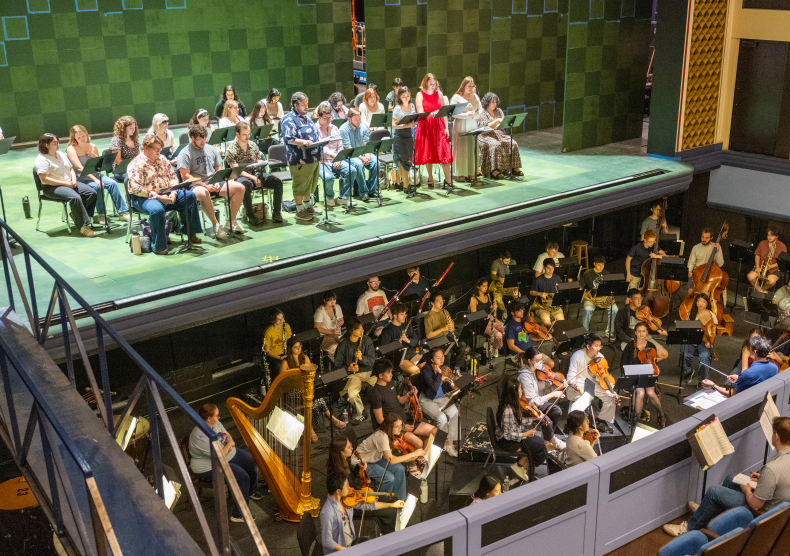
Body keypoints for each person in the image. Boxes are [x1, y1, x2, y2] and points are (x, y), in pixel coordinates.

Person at [663, 416, 790, 537]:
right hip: (778, 502)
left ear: (776, 436)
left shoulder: (772, 469)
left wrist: (747, 491)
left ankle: (690, 528)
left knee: (714, 492)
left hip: (766, 513)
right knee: (730, 479)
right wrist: (764, 479)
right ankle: (707, 513)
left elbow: (756, 505)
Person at [127, 135, 203, 254]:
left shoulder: (162, 159)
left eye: (160, 148)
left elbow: (173, 177)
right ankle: (159, 246)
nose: (159, 151)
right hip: (144, 197)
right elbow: (136, 188)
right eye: (156, 149)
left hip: (166, 193)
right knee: (157, 210)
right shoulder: (136, 164)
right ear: (146, 148)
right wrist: (157, 197)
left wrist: (173, 192)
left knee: (189, 196)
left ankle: (190, 233)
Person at [189, 403, 262, 523]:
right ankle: (238, 515)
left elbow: (228, 435)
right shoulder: (200, 436)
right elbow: (220, 456)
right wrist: (230, 444)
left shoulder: (215, 424)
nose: (219, 418)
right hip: (209, 465)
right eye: (217, 416)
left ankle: (250, 491)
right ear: (209, 418)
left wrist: (229, 444)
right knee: (242, 477)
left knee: (252, 461)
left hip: (227, 454)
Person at [177, 124, 246, 237]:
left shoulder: (211, 149)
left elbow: (218, 168)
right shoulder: (185, 153)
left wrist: (217, 182)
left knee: (240, 188)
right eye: (200, 140)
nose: (203, 143)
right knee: (204, 193)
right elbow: (185, 176)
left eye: (205, 139)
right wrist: (204, 185)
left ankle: (231, 221)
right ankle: (216, 225)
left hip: (213, 181)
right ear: (192, 138)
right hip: (196, 184)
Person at [280, 337, 346, 442]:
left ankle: (318, 425)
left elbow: (311, 373)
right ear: (290, 349)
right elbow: (283, 380)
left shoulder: (305, 358)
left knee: (316, 397)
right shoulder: (286, 362)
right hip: (292, 390)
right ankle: (328, 420)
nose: (299, 349)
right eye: (296, 347)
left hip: (305, 387)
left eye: (300, 346)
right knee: (312, 399)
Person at [320, 471, 404, 552]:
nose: (349, 488)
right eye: (347, 486)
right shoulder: (327, 512)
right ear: (338, 491)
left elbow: (368, 506)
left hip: (351, 540)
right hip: (341, 550)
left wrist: (392, 505)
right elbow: (327, 541)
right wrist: (349, 551)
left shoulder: (346, 499)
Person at [326, 438, 396, 534]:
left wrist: (360, 470)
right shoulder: (337, 473)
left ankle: (383, 530)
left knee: (392, 499)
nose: (352, 448)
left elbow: (352, 480)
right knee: (389, 511)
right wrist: (366, 500)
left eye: (350, 444)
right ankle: (390, 537)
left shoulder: (345, 461)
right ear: (341, 452)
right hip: (350, 507)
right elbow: (346, 497)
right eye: (349, 447)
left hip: (356, 496)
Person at [34, 133, 97, 237]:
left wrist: (74, 180)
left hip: (68, 182)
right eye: (54, 142)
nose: (57, 144)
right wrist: (66, 183)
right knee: (75, 197)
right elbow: (45, 179)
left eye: (58, 141)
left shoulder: (60, 154)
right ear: (46, 145)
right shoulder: (41, 159)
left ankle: (78, 215)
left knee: (91, 193)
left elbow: (71, 168)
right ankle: (83, 226)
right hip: (52, 187)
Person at [351, 414, 425, 500]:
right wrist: (412, 454)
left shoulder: (391, 434)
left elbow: (387, 457)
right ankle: (384, 502)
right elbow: (391, 460)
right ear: (390, 427)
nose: (400, 429)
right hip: (361, 463)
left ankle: (400, 500)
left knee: (400, 468)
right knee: (389, 478)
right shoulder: (382, 436)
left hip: (375, 458)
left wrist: (409, 458)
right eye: (396, 427)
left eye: (401, 426)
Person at [369, 359, 438, 452]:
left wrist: (409, 394)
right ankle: (418, 461)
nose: (391, 374)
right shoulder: (376, 393)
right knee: (419, 443)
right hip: (394, 428)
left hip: (404, 419)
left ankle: (422, 460)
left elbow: (399, 400)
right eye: (388, 373)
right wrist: (401, 427)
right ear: (380, 376)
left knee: (435, 431)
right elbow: (380, 420)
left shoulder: (391, 383)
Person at [66, 125, 129, 225]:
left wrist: (94, 156)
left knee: (113, 183)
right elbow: (79, 168)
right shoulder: (71, 148)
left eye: (83, 136)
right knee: (98, 186)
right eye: (79, 137)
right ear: (74, 138)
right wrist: (95, 179)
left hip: (96, 174)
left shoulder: (92, 146)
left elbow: (99, 164)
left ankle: (122, 212)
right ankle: (101, 215)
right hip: (82, 178)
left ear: (86, 135)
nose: (82, 139)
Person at [224, 121, 284, 225]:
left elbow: (257, 159)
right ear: (237, 134)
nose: (247, 137)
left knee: (277, 182)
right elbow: (236, 170)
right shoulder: (231, 150)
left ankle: (277, 212)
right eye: (244, 135)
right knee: (245, 186)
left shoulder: (253, 145)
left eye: (249, 134)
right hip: (242, 176)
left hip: (256, 173)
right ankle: (250, 215)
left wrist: (260, 162)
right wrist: (253, 177)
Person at [496, 376, 547, 482]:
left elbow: (517, 421)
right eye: (520, 389)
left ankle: (521, 466)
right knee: (539, 446)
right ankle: (525, 468)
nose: (522, 391)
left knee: (539, 443)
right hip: (508, 442)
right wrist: (525, 434)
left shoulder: (512, 406)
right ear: (513, 392)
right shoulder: (507, 410)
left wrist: (533, 419)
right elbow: (507, 435)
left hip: (514, 435)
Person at [279, 91, 321, 222]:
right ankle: (299, 210)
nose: (306, 107)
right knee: (300, 184)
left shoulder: (307, 116)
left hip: (313, 157)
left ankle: (308, 207)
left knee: (309, 184)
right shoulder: (288, 119)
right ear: (295, 105)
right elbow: (287, 138)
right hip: (299, 159)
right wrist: (303, 142)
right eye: (303, 104)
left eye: (307, 104)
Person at [515, 348, 566, 451]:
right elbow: (533, 401)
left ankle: (547, 439)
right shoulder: (525, 377)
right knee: (548, 421)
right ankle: (552, 439)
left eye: (541, 360)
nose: (541, 363)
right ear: (530, 361)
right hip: (527, 407)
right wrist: (553, 394)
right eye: (537, 360)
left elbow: (543, 392)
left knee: (557, 411)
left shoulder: (538, 372)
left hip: (537, 402)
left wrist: (557, 386)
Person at [568, 334, 617, 434]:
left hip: (594, 384)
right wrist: (578, 387)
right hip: (580, 384)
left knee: (612, 398)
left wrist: (608, 389)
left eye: (600, 345)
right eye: (596, 346)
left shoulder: (600, 357)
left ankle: (602, 420)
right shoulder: (577, 356)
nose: (599, 348)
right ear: (588, 346)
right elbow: (570, 376)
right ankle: (571, 426)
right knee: (585, 398)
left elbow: (603, 377)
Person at [621, 322, 667, 427]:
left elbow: (654, 361)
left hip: (648, 373)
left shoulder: (651, 346)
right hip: (634, 374)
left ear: (646, 332)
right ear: (635, 333)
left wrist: (651, 364)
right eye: (639, 331)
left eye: (643, 331)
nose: (641, 334)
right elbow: (623, 363)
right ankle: (638, 420)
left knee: (650, 392)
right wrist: (627, 372)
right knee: (640, 392)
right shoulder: (630, 346)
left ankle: (662, 414)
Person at [416, 347, 460, 457]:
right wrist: (440, 375)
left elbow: (445, 388)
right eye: (438, 357)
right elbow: (434, 388)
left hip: (441, 398)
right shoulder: (426, 371)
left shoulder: (443, 367)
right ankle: (441, 445)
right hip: (428, 400)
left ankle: (450, 444)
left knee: (455, 413)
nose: (441, 359)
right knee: (442, 418)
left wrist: (452, 383)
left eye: (443, 356)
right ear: (432, 359)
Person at [701, 335, 778, 396]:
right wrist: (739, 378)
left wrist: (713, 385)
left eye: (749, 349)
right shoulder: (775, 368)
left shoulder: (748, 373)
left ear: (754, 352)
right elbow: (758, 380)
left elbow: (730, 394)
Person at [414, 73, 453, 190]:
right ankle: (430, 177)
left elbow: (444, 111)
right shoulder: (420, 95)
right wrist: (432, 113)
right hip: (426, 126)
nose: (432, 86)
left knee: (444, 151)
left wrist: (446, 127)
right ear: (425, 83)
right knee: (428, 151)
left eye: (434, 84)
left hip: (439, 125)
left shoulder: (439, 94)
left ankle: (448, 180)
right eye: (430, 84)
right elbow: (420, 112)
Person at [335, 317, 377, 424]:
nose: (361, 331)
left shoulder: (367, 340)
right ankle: (361, 413)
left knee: (383, 381)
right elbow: (337, 367)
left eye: (361, 329)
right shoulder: (342, 346)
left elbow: (373, 361)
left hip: (368, 371)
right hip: (353, 375)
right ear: (351, 331)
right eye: (358, 330)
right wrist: (348, 368)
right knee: (352, 393)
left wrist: (362, 358)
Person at [477, 92, 523, 179]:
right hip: (486, 136)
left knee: (512, 143)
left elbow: (503, 123)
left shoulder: (499, 111)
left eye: (495, 102)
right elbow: (483, 128)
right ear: (487, 102)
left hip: (499, 134)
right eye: (492, 102)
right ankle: (494, 170)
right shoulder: (482, 112)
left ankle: (514, 167)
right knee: (495, 145)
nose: (494, 104)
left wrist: (503, 124)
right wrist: (496, 121)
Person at [339, 108, 379, 202]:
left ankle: (371, 190)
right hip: (350, 155)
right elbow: (348, 148)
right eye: (356, 119)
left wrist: (367, 157)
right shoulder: (343, 129)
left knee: (376, 162)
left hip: (362, 153)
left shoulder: (364, 127)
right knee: (359, 164)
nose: (358, 121)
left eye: (359, 118)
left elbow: (366, 145)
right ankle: (363, 191)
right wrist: (362, 159)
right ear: (349, 119)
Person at [681, 293, 718, 385]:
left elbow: (713, 332)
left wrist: (710, 342)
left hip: (705, 340)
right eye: (699, 301)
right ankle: (688, 372)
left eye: (703, 302)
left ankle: (703, 380)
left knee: (704, 357)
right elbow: (686, 329)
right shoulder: (691, 314)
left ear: (707, 304)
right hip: (692, 338)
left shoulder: (712, 315)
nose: (701, 304)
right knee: (686, 355)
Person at [450, 77, 482, 183]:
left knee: (471, 147)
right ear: (464, 86)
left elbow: (480, 110)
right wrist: (466, 115)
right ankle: (461, 173)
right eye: (469, 86)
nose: (471, 88)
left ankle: (471, 172)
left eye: (473, 86)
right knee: (462, 148)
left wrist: (474, 115)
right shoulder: (456, 97)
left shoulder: (475, 96)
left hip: (472, 123)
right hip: (461, 124)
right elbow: (453, 113)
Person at [316, 103, 348, 207]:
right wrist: (335, 156)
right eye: (325, 118)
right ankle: (329, 196)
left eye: (329, 117)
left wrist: (338, 159)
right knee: (328, 177)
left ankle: (343, 197)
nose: (328, 120)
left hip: (336, 159)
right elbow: (322, 147)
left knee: (351, 170)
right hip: (321, 161)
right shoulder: (314, 129)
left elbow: (340, 146)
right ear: (319, 117)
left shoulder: (334, 128)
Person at [579, 255, 619, 337]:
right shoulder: (587, 274)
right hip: (591, 299)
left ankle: (610, 331)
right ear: (594, 264)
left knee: (615, 309)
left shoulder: (607, 274)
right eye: (599, 265)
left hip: (604, 298)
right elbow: (581, 288)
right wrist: (582, 296)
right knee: (587, 309)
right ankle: (584, 331)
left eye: (603, 265)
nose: (601, 267)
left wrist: (612, 298)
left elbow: (611, 288)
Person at [378, 303, 421, 376]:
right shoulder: (387, 330)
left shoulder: (406, 325)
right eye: (402, 314)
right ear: (395, 316)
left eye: (405, 314)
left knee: (427, 365)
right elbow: (384, 350)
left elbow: (416, 340)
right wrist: (397, 343)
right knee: (416, 371)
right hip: (399, 358)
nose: (405, 316)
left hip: (410, 353)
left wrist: (408, 340)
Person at [392, 86, 418, 196]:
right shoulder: (397, 108)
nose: (406, 98)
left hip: (409, 135)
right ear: (400, 97)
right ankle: (406, 185)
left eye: (408, 95)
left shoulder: (412, 106)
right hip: (399, 136)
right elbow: (394, 125)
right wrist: (408, 125)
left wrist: (415, 122)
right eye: (403, 96)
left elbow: (414, 119)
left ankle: (401, 182)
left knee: (407, 159)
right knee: (403, 160)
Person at [469, 278, 504, 355]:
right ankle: (494, 348)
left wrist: (493, 308)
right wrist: (490, 324)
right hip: (481, 322)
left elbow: (490, 311)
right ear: (478, 287)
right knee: (498, 334)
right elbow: (474, 316)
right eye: (483, 286)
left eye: (487, 286)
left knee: (504, 328)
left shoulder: (487, 295)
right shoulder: (473, 299)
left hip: (490, 317)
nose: (486, 288)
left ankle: (493, 346)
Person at [748, 226, 787, 293]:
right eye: (768, 235)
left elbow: (782, 262)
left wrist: (771, 266)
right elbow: (757, 255)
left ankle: (761, 290)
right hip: (761, 267)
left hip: (774, 269)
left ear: (776, 236)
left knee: (771, 281)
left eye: (772, 235)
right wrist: (757, 267)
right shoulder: (762, 243)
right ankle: (760, 291)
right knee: (750, 276)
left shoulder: (782, 246)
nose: (769, 237)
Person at [530, 259, 564, 327]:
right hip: (542, 306)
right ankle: (549, 335)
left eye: (552, 268)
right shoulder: (538, 279)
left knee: (560, 322)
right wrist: (540, 294)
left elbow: (561, 291)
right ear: (544, 267)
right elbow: (531, 292)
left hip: (554, 306)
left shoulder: (557, 278)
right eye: (548, 268)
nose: (551, 271)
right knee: (547, 322)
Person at [314, 291, 344, 359]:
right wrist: (331, 331)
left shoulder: (337, 307)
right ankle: (339, 366)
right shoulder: (320, 311)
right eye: (330, 300)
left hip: (337, 334)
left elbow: (342, 320)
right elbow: (316, 328)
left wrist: (341, 322)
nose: (333, 302)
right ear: (325, 301)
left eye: (334, 300)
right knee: (335, 347)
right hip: (325, 337)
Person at [262, 308, 291, 374]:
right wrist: (280, 357)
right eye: (279, 319)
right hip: (275, 356)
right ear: (273, 320)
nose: (282, 321)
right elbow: (267, 351)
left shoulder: (286, 326)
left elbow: (289, 341)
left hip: (285, 353)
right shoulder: (268, 332)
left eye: (282, 318)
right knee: (279, 369)